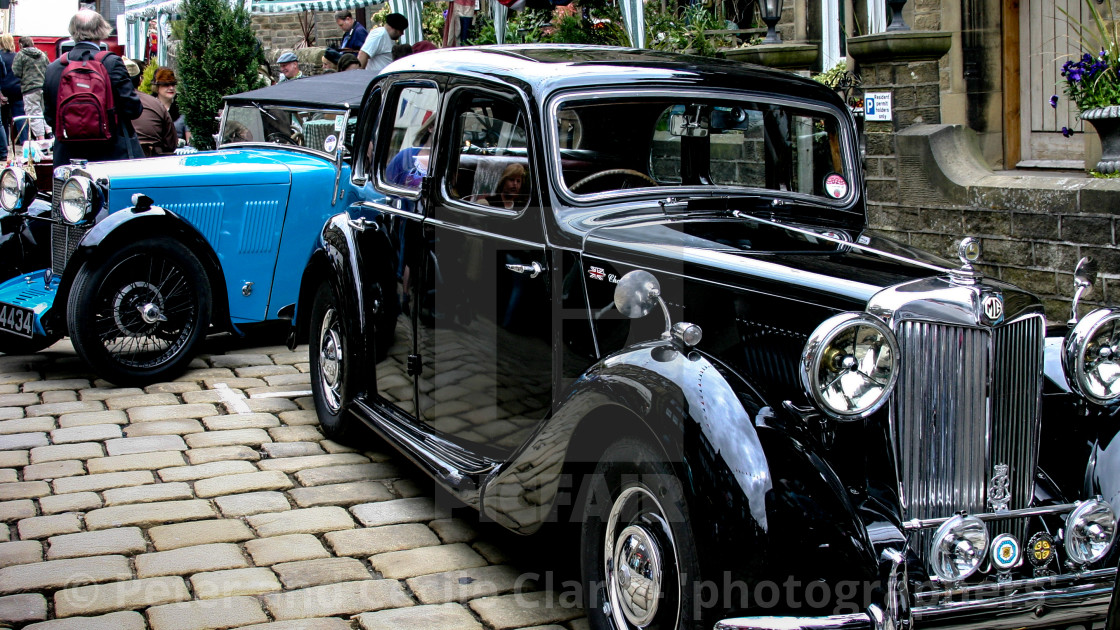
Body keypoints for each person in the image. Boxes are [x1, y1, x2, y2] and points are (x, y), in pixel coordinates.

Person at [43, 10, 143, 166]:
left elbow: (50, 117)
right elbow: (133, 109)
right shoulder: (112, 63)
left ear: (72, 30)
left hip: (68, 157)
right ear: (102, 30)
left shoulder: (54, 68)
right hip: (112, 156)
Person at [127, 59, 175, 156]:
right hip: (152, 159)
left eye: (173, 84)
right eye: (165, 84)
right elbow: (171, 144)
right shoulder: (156, 104)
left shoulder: (107, 104)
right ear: (140, 81)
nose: (171, 88)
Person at [12, 36, 51, 141]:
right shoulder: (42, 54)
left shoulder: (21, 55)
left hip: (30, 89)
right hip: (44, 87)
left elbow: (16, 72)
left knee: (34, 114)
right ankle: (50, 134)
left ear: (21, 45)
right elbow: (49, 68)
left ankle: (41, 140)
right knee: (44, 113)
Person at [0, 35, 23, 147]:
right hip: (17, 89)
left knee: (3, 120)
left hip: (3, 90)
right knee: (20, 117)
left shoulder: (0, 56)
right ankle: (24, 141)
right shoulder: (17, 56)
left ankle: (5, 144)